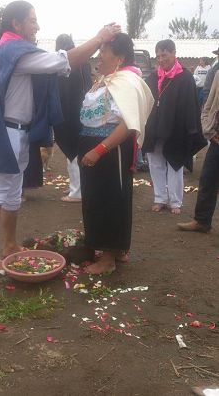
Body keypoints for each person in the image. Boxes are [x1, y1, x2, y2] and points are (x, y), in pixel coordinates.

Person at [0, 0, 120, 273]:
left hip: (18, 132)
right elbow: (63, 61)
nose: (37, 25)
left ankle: (9, 245)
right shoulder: (13, 50)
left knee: (12, 194)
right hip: (5, 133)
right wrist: (99, 38)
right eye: (32, 20)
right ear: (16, 24)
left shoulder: (13, 50)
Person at [78, 33, 154, 274]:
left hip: (110, 150)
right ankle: (116, 249)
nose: (99, 55)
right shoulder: (105, 81)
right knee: (97, 199)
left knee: (110, 199)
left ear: (119, 58)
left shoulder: (125, 81)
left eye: (104, 51)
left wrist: (99, 150)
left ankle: (108, 258)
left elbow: (128, 124)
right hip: (94, 147)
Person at [142, 39, 206, 214]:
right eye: (158, 56)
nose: (161, 59)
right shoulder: (153, 77)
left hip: (176, 129)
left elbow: (192, 106)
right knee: (155, 163)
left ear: (174, 53)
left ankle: (175, 201)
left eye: (165, 55)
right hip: (155, 128)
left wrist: (191, 129)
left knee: (175, 163)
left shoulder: (185, 77)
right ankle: (160, 198)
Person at [177, 70, 219, 233]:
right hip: (216, 138)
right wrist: (208, 129)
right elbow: (209, 104)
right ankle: (202, 221)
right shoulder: (218, 74)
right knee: (208, 179)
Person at [54, 34, 92, 203]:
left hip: (69, 112)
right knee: (80, 149)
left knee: (73, 151)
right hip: (85, 111)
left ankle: (77, 191)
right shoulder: (84, 63)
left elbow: (63, 93)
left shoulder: (65, 66)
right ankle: (79, 186)